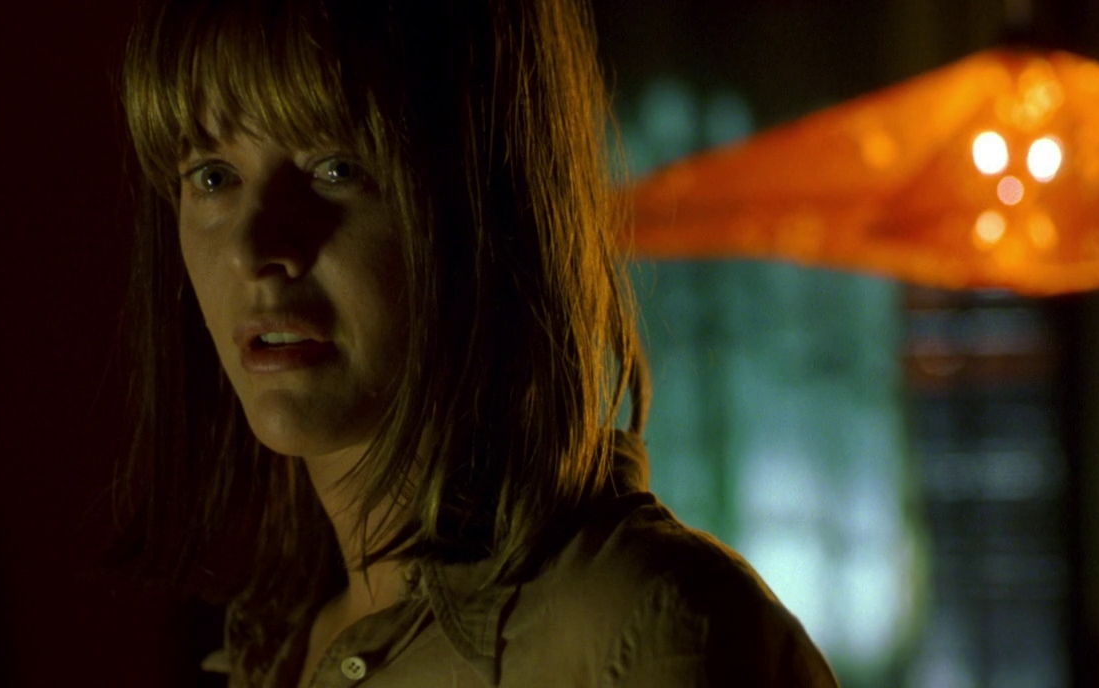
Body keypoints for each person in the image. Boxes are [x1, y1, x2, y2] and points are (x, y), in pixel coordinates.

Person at [115, 0, 839, 685]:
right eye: (213, 177)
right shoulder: (271, 646)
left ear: (486, 198)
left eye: (336, 168)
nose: (253, 248)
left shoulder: (649, 633)